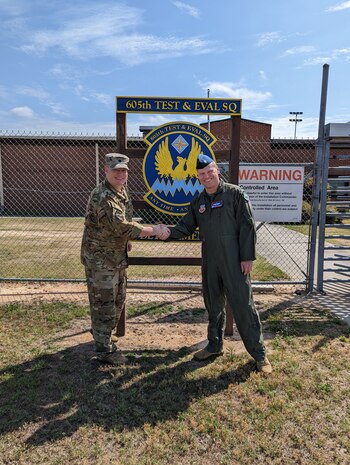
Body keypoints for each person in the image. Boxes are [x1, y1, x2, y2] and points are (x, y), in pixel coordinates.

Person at [159, 154, 272, 374]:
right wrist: (167, 232)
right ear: (198, 177)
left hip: (234, 261)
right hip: (210, 261)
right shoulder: (199, 202)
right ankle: (214, 345)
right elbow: (185, 227)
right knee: (213, 305)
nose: (206, 176)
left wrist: (247, 257)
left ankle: (260, 355)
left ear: (217, 171)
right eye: (202, 174)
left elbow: (247, 226)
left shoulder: (235, 195)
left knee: (243, 306)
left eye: (210, 171)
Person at [81, 152, 166, 366]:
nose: (120, 174)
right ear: (106, 170)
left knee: (117, 300)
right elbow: (122, 225)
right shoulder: (104, 197)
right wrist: (154, 230)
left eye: (124, 170)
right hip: (101, 259)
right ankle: (104, 350)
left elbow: (125, 217)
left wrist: (126, 240)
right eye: (116, 170)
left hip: (115, 256)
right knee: (104, 303)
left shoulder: (120, 190)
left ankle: (104, 334)